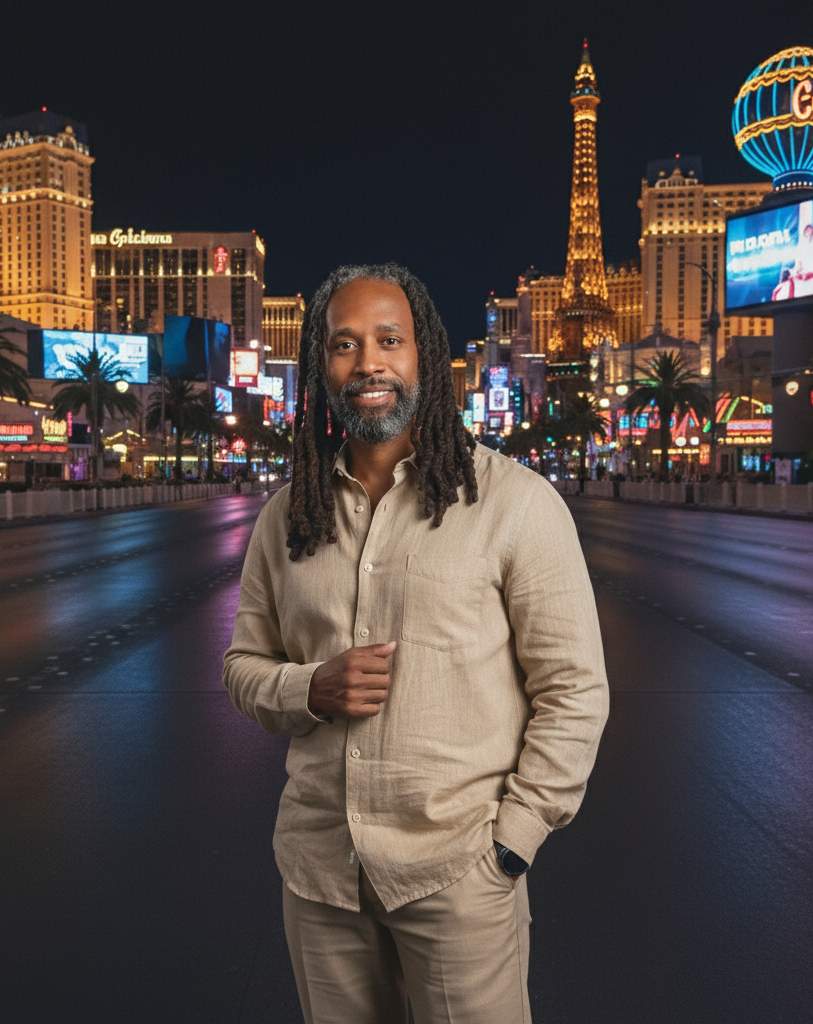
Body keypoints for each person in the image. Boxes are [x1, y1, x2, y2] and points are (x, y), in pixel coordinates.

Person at [223, 264, 609, 1024]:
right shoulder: (284, 518)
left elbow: (574, 692)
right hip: (319, 874)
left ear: (423, 357)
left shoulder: (515, 505)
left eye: (388, 340)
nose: (367, 361)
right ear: (320, 367)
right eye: (343, 344)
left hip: (457, 874)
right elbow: (242, 667)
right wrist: (309, 689)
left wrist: (510, 843)